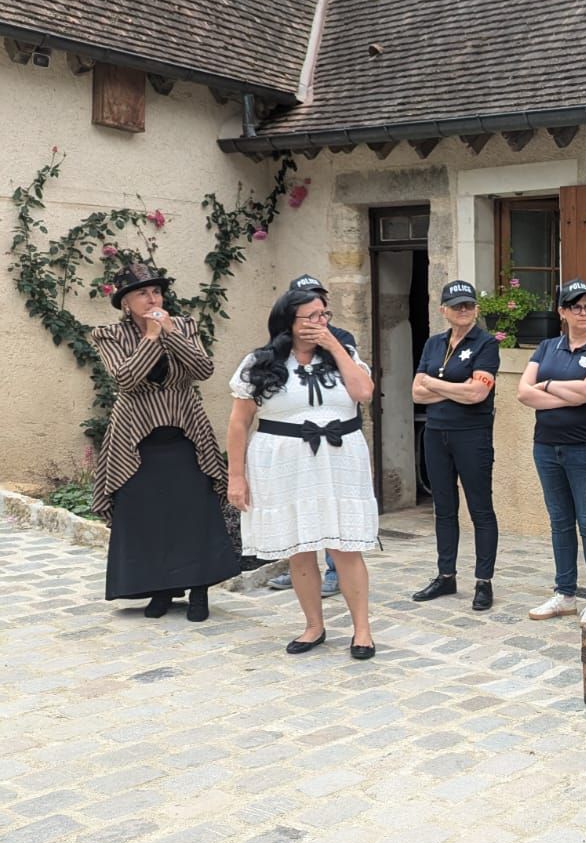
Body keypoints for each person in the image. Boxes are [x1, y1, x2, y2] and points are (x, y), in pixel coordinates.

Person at [226, 289, 381, 659]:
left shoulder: (343, 355)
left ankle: (362, 630)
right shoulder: (259, 363)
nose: (320, 322)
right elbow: (239, 423)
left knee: (346, 548)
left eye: (324, 315)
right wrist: (236, 476)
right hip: (285, 465)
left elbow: (364, 393)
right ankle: (314, 626)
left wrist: (334, 345)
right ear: (288, 322)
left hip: (338, 463)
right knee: (300, 550)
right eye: (311, 316)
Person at [90, 262, 239, 620]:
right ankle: (160, 590)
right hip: (134, 440)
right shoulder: (109, 335)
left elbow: (203, 369)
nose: (152, 298)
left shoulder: (184, 326)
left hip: (187, 434)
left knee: (195, 512)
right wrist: (151, 338)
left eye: (156, 291)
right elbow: (126, 379)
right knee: (146, 515)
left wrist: (170, 333)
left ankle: (199, 591)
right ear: (126, 303)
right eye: (142, 293)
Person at [516, 278, 586, 625]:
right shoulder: (547, 347)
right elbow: (523, 393)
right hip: (547, 448)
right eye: (576, 307)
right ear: (562, 312)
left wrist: (547, 385)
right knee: (560, 522)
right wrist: (569, 395)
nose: (583, 312)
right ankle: (565, 593)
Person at [410, 280, 500, 610]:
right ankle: (445, 575)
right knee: (444, 509)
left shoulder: (486, 344)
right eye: (457, 305)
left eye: (469, 305)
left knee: (480, 509)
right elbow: (416, 393)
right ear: (443, 310)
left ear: (476, 308)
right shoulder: (434, 343)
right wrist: (455, 387)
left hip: (472, 435)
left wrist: (435, 384)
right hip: (436, 434)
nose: (464, 310)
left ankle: (483, 582)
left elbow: (478, 393)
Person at [265, 272, 355, 598]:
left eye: (320, 304)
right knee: (302, 505)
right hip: (297, 441)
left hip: (334, 434)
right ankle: (301, 569)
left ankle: (333, 570)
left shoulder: (340, 338)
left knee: (332, 507)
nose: (318, 316)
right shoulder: (279, 346)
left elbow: (357, 388)